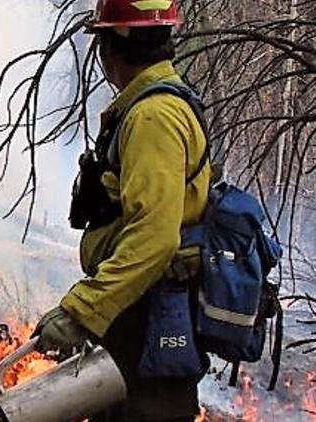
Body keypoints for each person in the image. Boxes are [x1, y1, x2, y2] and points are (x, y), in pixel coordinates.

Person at [30, 0, 212, 421]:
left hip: (149, 315)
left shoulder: (153, 116)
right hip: (140, 308)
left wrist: (82, 313)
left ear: (113, 46)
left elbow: (154, 238)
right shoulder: (153, 105)